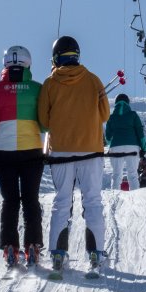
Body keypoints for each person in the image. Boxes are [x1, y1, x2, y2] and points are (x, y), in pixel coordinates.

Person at [37, 35, 110, 274]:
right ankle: (96, 253)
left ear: (56, 57)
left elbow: (44, 121)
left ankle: (58, 254)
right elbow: (105, 115)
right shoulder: (94, 80)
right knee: (92, 201)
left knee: (62, 201)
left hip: (61, 152)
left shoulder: (50, 83)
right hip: (90, 151)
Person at [0, 45, 45, 266]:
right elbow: (45, 124)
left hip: (2, 154)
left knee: (10, 200)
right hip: (32, 152)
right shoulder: (38, 89)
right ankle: (33, 245)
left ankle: (9, 247)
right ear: (28, 63)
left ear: (5, 63)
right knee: (31, 199)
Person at [104, 92, 146, 190]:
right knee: (133, 174)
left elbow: (108, 137)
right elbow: (140, 133)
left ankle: (114, 195)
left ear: (116, 103)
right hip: (132, 147)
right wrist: (144, 148)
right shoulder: (133, 115)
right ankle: (135, 195)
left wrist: (112, 143)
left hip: (116, 147)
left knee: (116, 174)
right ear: (128, 103)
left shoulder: (111, 117)